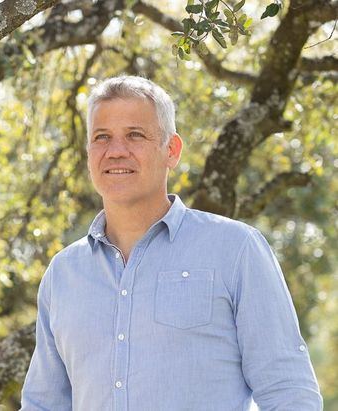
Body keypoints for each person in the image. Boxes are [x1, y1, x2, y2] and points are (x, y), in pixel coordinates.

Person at [19, 76, 322, 410]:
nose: (116, 151)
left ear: (171, 150)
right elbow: (42, 404)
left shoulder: (235, 250)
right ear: (89, 152)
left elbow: (289, 391)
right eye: (102, 137)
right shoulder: (63, 274)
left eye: (135, 135)